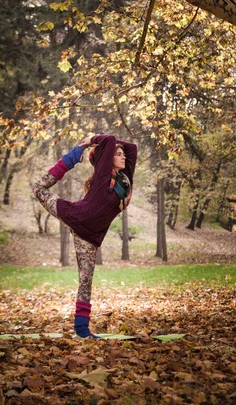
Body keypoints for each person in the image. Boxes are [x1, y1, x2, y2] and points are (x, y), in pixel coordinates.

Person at [32, 133, 137, 339]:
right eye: (117, 154)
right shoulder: (103, 175)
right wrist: (89, 143)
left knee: (86, 280)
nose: (123, 156)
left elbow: (131, 147)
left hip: (90, 236)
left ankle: (82, 330)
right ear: (105, 159)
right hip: (75, 215)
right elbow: (109, 139)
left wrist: (115, 148)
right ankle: (72, 157)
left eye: (122, 154)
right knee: (38, 188)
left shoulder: (125, 181)